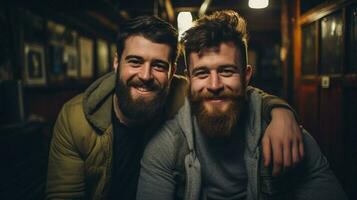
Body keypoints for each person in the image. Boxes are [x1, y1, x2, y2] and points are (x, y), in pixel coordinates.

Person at [46, 15, 303, 199]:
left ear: (173, 74)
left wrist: (280, 112)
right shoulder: (76, 118)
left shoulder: (188, 91)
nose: (145, 75)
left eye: (158, 65)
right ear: (116, 63)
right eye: (135, 61)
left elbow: (234, 92)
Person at [137, 10, 347, 200]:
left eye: (226, 71)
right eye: (202, 73)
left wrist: (280, 111)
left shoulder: (287, 136)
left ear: (246, 77)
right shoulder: (165, 146)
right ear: (189, 80)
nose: (214, 85)